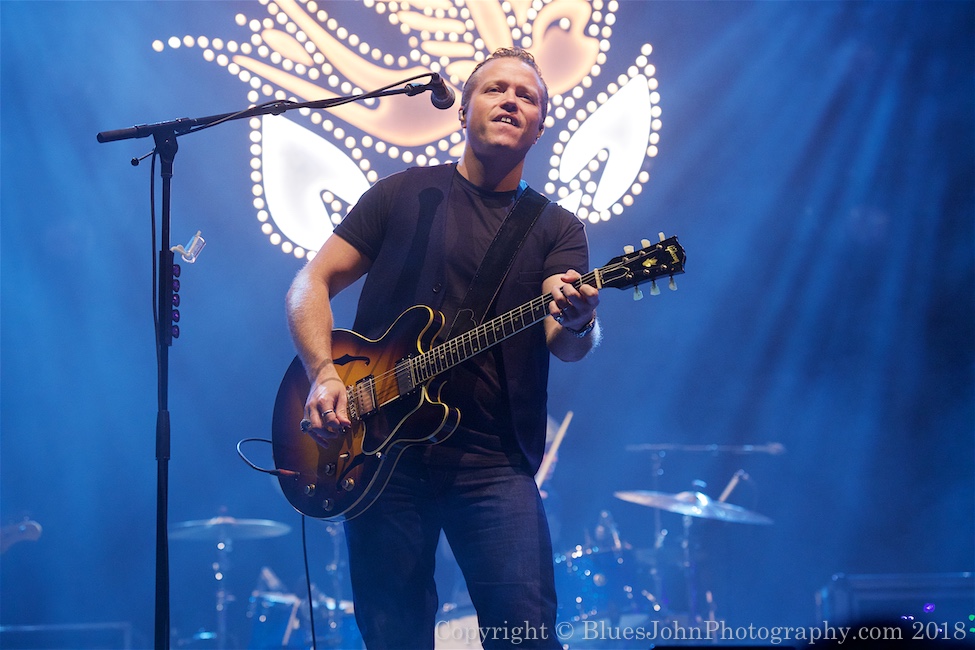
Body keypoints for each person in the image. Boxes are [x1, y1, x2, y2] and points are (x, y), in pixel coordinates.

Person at [285, 47, 600, 649]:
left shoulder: (557, 230)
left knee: (527, 635)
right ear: (462, 110)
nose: (511, 100)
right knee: (392, 636)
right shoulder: (403, 194)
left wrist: (581, 320)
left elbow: (565, 344)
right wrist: (324, 373)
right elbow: (310, 283)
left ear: (540, 124)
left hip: (493, 462)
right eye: (495, 90)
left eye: (526, 96)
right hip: (380, 457)